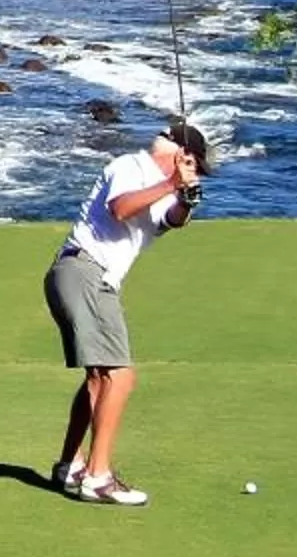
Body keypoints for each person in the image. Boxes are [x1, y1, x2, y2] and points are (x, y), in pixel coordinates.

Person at [46, 116, 210, 506]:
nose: (196, 171)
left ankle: (70, 465)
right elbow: (120, 208)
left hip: (82, 275)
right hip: (85, 271)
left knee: (100, 379)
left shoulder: (162, 190)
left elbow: (171, 220)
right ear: (179, 153)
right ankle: (98, 478)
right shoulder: (130, 166)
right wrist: (173, 184)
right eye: (195, 163)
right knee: (121, 377)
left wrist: (186, 199)